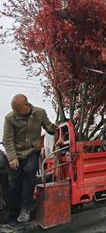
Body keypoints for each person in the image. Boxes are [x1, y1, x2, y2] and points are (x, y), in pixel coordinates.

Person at [2, 94, 56, 222]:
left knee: (30, 171)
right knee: (14, 182)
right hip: (17, 154)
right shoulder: (9, 118)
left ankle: (26, 208)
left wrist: (52, 128)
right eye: (14, 110)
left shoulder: (40, 113)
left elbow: (48, 127)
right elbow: (7, 139)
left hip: (33, 151)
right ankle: (13, 212)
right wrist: (12, 158)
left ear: (26, 106)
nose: (16, 113)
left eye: (18, 110)